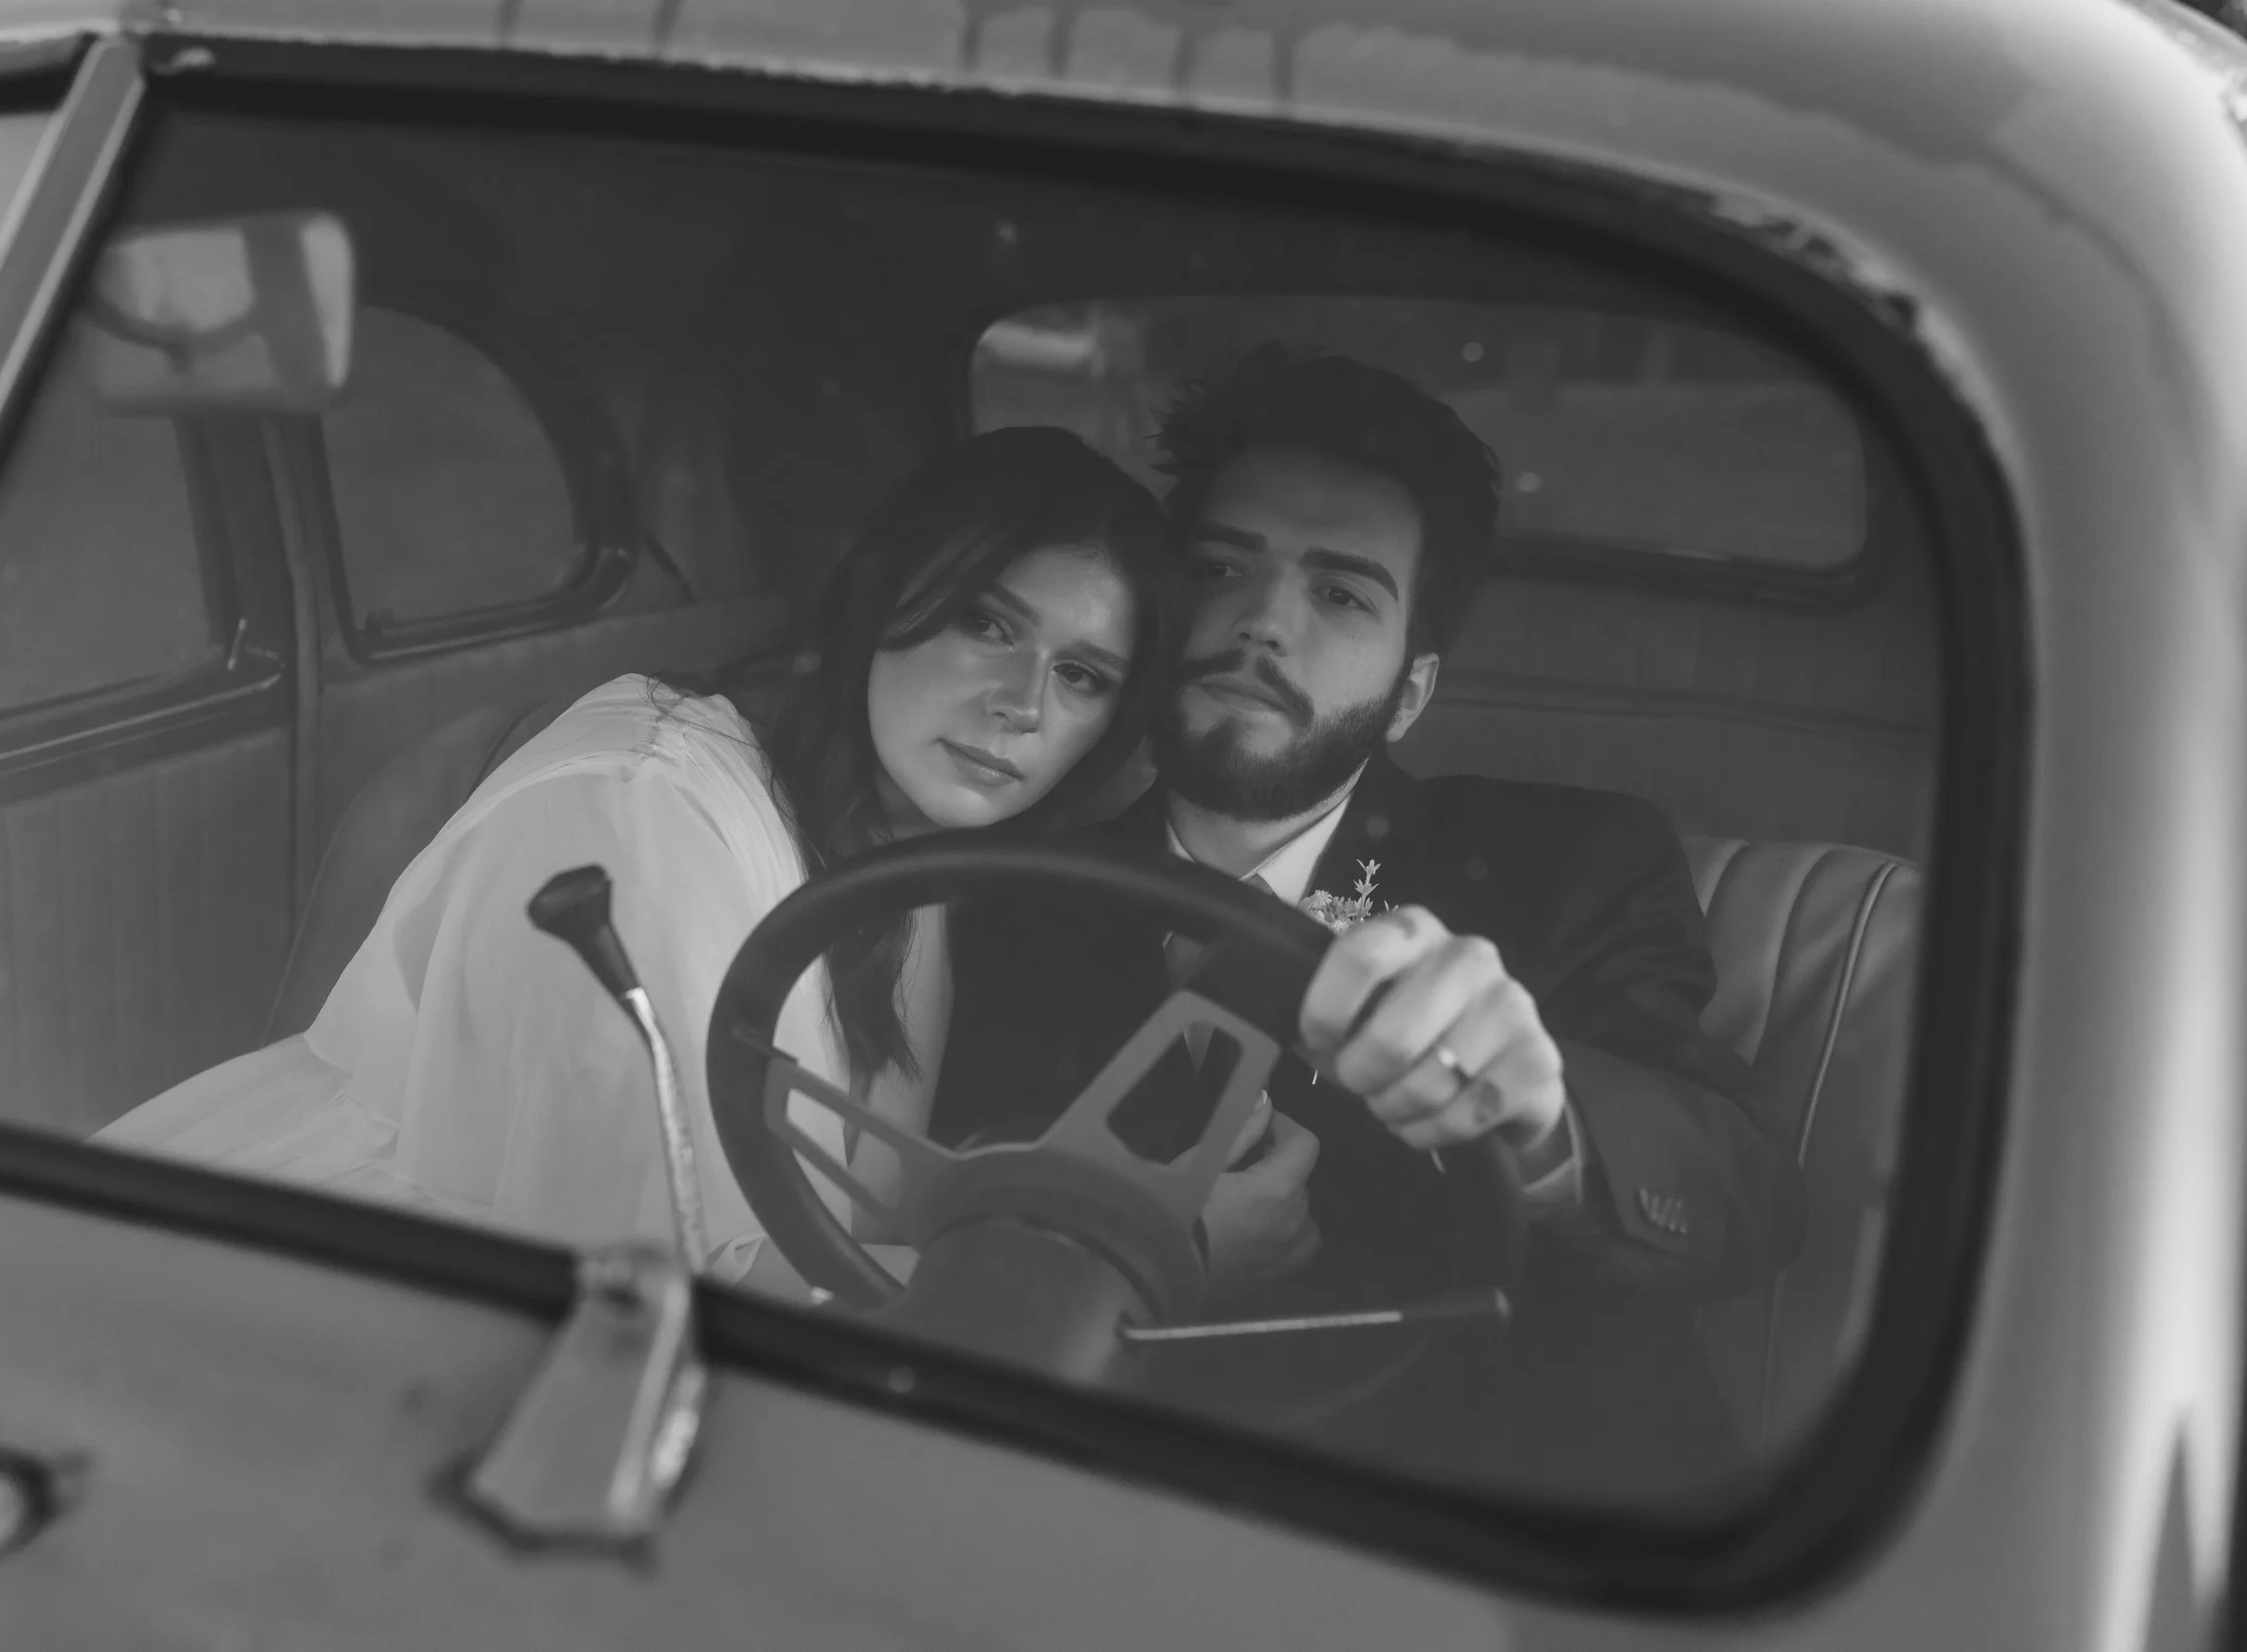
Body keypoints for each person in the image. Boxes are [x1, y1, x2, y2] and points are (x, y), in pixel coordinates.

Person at [932, 346, 1805, 1499]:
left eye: (1340, 594)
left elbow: (1742, 1190)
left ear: (1410, 690)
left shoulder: (1568, 860)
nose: (1260, 626)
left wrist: (1542, 1119)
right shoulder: (1013, 888)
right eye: (1220, 566)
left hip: (1491, 1533)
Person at [96, 426, 1176, 1294]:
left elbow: (848, 1225)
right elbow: (647, 1292)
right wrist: (1100, 1254)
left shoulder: (914, 854)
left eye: (1082, 675)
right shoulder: (641, 815)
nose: (1023, 705)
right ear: (883, 595)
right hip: (284, 1295)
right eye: (989, 624)